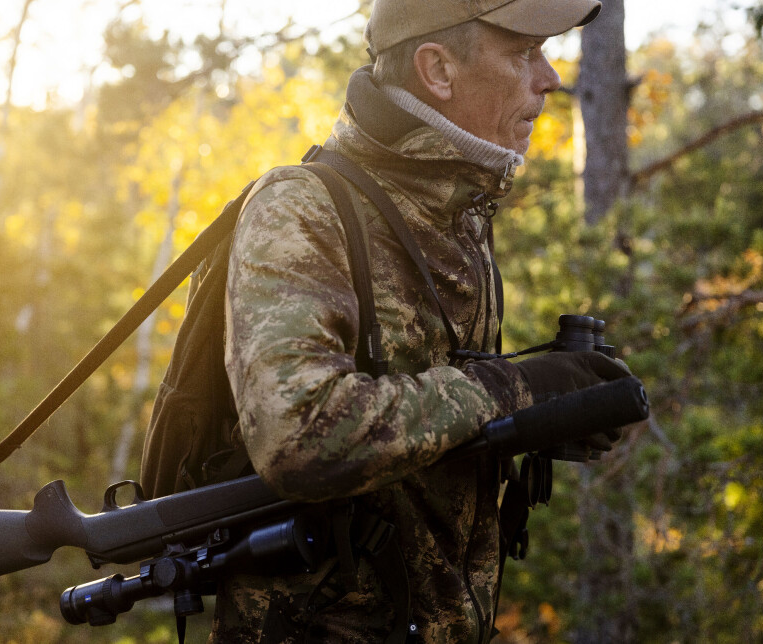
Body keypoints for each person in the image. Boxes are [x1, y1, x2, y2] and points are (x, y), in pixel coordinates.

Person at [215, 0, 628, 641]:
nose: (548, 78)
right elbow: (296, 434)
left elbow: (425, 435)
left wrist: (538, 422)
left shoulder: (456, 218)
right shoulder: (302, 208)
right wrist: (518, 390)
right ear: (437, 70)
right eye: (523, 53)